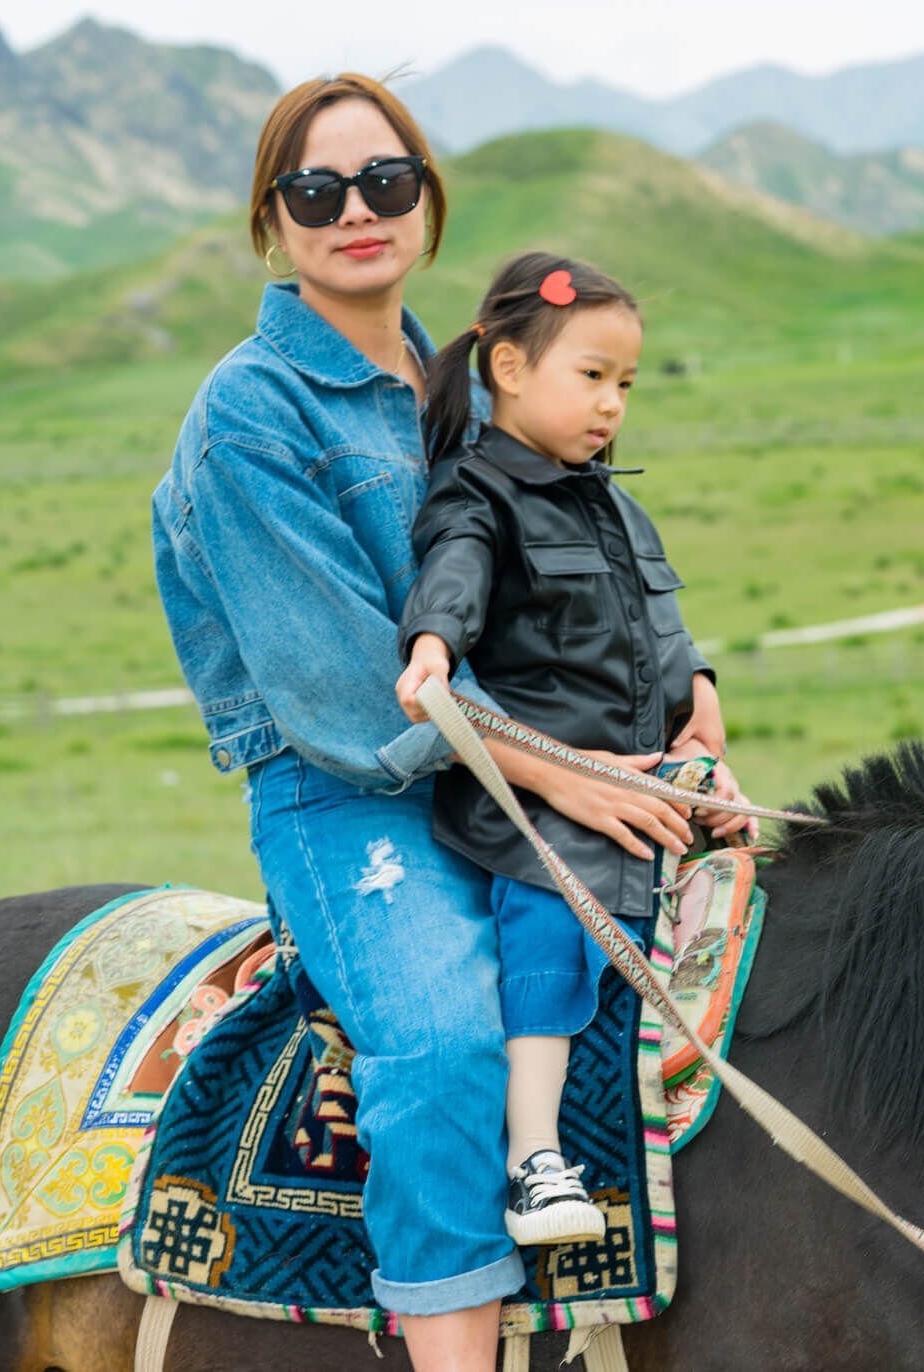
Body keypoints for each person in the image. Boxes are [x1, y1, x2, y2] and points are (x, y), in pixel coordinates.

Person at [151, 76, 691, 1372]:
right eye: (316, 190)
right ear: (272, 221)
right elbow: (343, 683)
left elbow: (566, 555)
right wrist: (561, 772)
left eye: (386, 181)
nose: (356, 211)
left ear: (427, 201)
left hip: (516, 758)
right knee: (446, 1040)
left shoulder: (459, 383)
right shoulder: (250, 412)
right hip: (349, 792)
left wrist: (674, 699)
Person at [393, 249, 751, 1246]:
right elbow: (452, 579)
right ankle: (535, 1154)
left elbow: (659, 622)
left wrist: (702, 692)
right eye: (591, 376)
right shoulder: (478, 494)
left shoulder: (614, 501)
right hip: (536, 803)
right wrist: (430, 646)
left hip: (640, 776)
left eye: (625, 384)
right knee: (552, 920)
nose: (612, 406)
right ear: (508, 368)